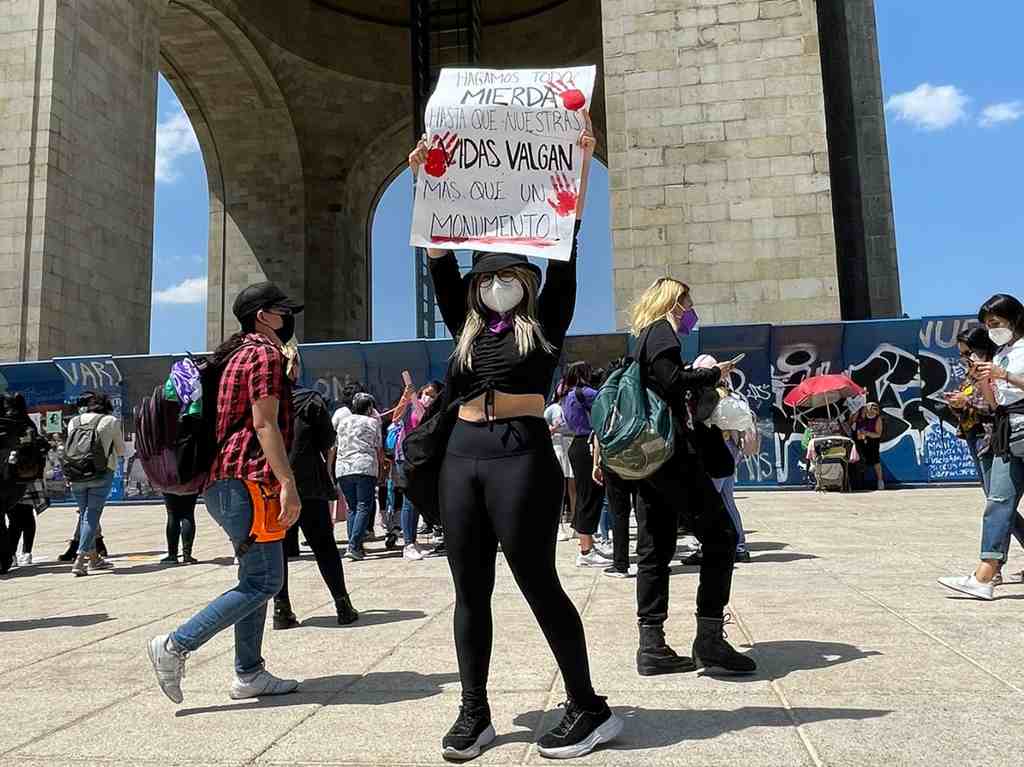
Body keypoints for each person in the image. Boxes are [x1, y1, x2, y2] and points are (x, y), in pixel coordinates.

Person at [409, 113, 622, 762]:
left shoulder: (547, 318)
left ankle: (588, 706)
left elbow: (568, 241)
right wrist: (426, 174)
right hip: (462, 458)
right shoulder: (463, 322)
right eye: (488, 276)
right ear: (477, 288)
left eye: (509, 274)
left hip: (521, 456)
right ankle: (474, 713)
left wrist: (581, 164)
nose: (497, 282)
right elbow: (439, 253)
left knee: (537, 581)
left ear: (526, 282)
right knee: (468, 589)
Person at [147, 281, 303, 705]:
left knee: (253, 578)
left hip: (224, 480)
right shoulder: (265, 354)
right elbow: (264, 423)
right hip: (248, 478)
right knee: (266, 579)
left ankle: (249, 673)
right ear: (263, 316)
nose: (288, 318)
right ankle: (175, 645)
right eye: (282, 311)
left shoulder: (234, 354)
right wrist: (288, 483)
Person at [627, 277, 756, 677]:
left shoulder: (644, 338)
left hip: (647, 458)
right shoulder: (662, 331)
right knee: (721, 536)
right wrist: (711, 374)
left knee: (656, 548)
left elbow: (663, 379)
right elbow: (671, 382)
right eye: (687, 301)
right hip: (671, 454)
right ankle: (710, 641)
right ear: (674, 302)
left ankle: (652, 645)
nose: (690, 309)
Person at [940, 294, 1024, 601]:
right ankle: (984, 576)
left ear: (1014, 319)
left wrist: (1006, 376)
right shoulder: (1000, 353)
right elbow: (993, 403)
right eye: (987, 325)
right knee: (998, 500)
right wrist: (983, 378)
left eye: (996, 323)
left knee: (1001, 499)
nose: (992, 330)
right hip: (1005, 430)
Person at [273, 343, 359, 628]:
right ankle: (342, 604)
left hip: (273, 485)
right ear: (295, 367)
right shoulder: (310, 400)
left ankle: (281, 610)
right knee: (324, 546)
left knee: (279, 551)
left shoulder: (263, 402)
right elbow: (326, 442)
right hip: (307, 483)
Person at [66, 392, 125, 577]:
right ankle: (81, 558)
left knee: (85, 514)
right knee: (91, 515)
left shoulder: (74, 421)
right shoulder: (110, 421)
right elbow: (121, 449)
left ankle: (93, 558)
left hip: (76, 473)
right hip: (101, 472)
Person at [561, 362, 611, 567]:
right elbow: (607, 404)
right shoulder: (587, 392)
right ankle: (586, 551)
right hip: (589, 446)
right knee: (591, 496)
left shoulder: (568, 394)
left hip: (577, 445)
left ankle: (586, 544)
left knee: (584, 495)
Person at [393, 381, 442, 561]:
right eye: (425, 393)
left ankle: (413, 541)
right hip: (405, 456)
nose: (427, 397)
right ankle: (408, 544)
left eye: (432, 395)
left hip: (421, 459)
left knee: (416, 500)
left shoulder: (436, 411)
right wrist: (406, 397)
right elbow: (395, 418)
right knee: (409, 500)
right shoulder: (414, 404)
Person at [335, 392, 383, 561]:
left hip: (343, 468)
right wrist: (382, 469)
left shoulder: (342, 421)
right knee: (364, 506)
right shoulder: (372, 422)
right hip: (364, 467)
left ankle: (354, 545)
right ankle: (354, 545)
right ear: (369, 407)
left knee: (352, 507)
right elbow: (378, 447)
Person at [543, 393, 576, 542]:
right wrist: (553, 428)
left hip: (571, 442)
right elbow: (543, 429)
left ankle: (576, 523)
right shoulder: (552, 408)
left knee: (573, 486)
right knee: (560, 486)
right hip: (558, 444)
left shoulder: (573, 406)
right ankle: (559, 525)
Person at [849, 401, 885, 490]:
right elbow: (851, 422)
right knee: (860, 461)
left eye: (875, 409)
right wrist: (856, 411)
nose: (873, 411)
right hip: (860, 441)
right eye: (871, 408)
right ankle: (859, 482)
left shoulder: (877, 419)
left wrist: (867, 433)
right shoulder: (861, 416)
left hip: (872, 442)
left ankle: (880, 481)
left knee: (875, 461)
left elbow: (878, 434)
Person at [161, 493, 199, 565]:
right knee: (188, 514)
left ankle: (172, 555)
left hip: (171, 485)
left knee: (172, 515)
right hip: (191, 484)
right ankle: (187, 555)